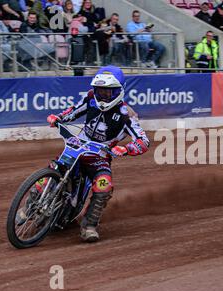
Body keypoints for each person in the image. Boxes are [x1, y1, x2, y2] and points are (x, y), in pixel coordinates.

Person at [46, 66, 150, 242]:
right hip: (77, 147)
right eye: (100, 91)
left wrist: (126, 149)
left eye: (108, 92)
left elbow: (143, 141)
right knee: (52, 169)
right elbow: (73, 110)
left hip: (99, 157)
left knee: (104, 185)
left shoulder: (127, 115)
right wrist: (59, 118)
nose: (103, 95)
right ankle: (30, 205)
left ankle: (89, 226)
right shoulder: (90, 98)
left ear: (118, 91)